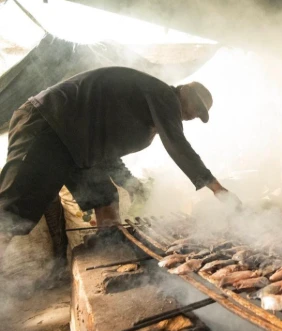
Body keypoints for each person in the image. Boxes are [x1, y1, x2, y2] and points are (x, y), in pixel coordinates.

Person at [0, 66, 241, 263]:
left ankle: (107, 246)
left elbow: (107, 153)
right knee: (12, 211)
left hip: (76, 146)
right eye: (196, 108)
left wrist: (131, 183)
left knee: (105, 196)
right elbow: (177, 145)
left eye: (200, 115)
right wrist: (217, 188)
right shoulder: (164, 95)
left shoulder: (149, 111)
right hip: (48, 125)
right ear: (184, 93)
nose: (194, 116)